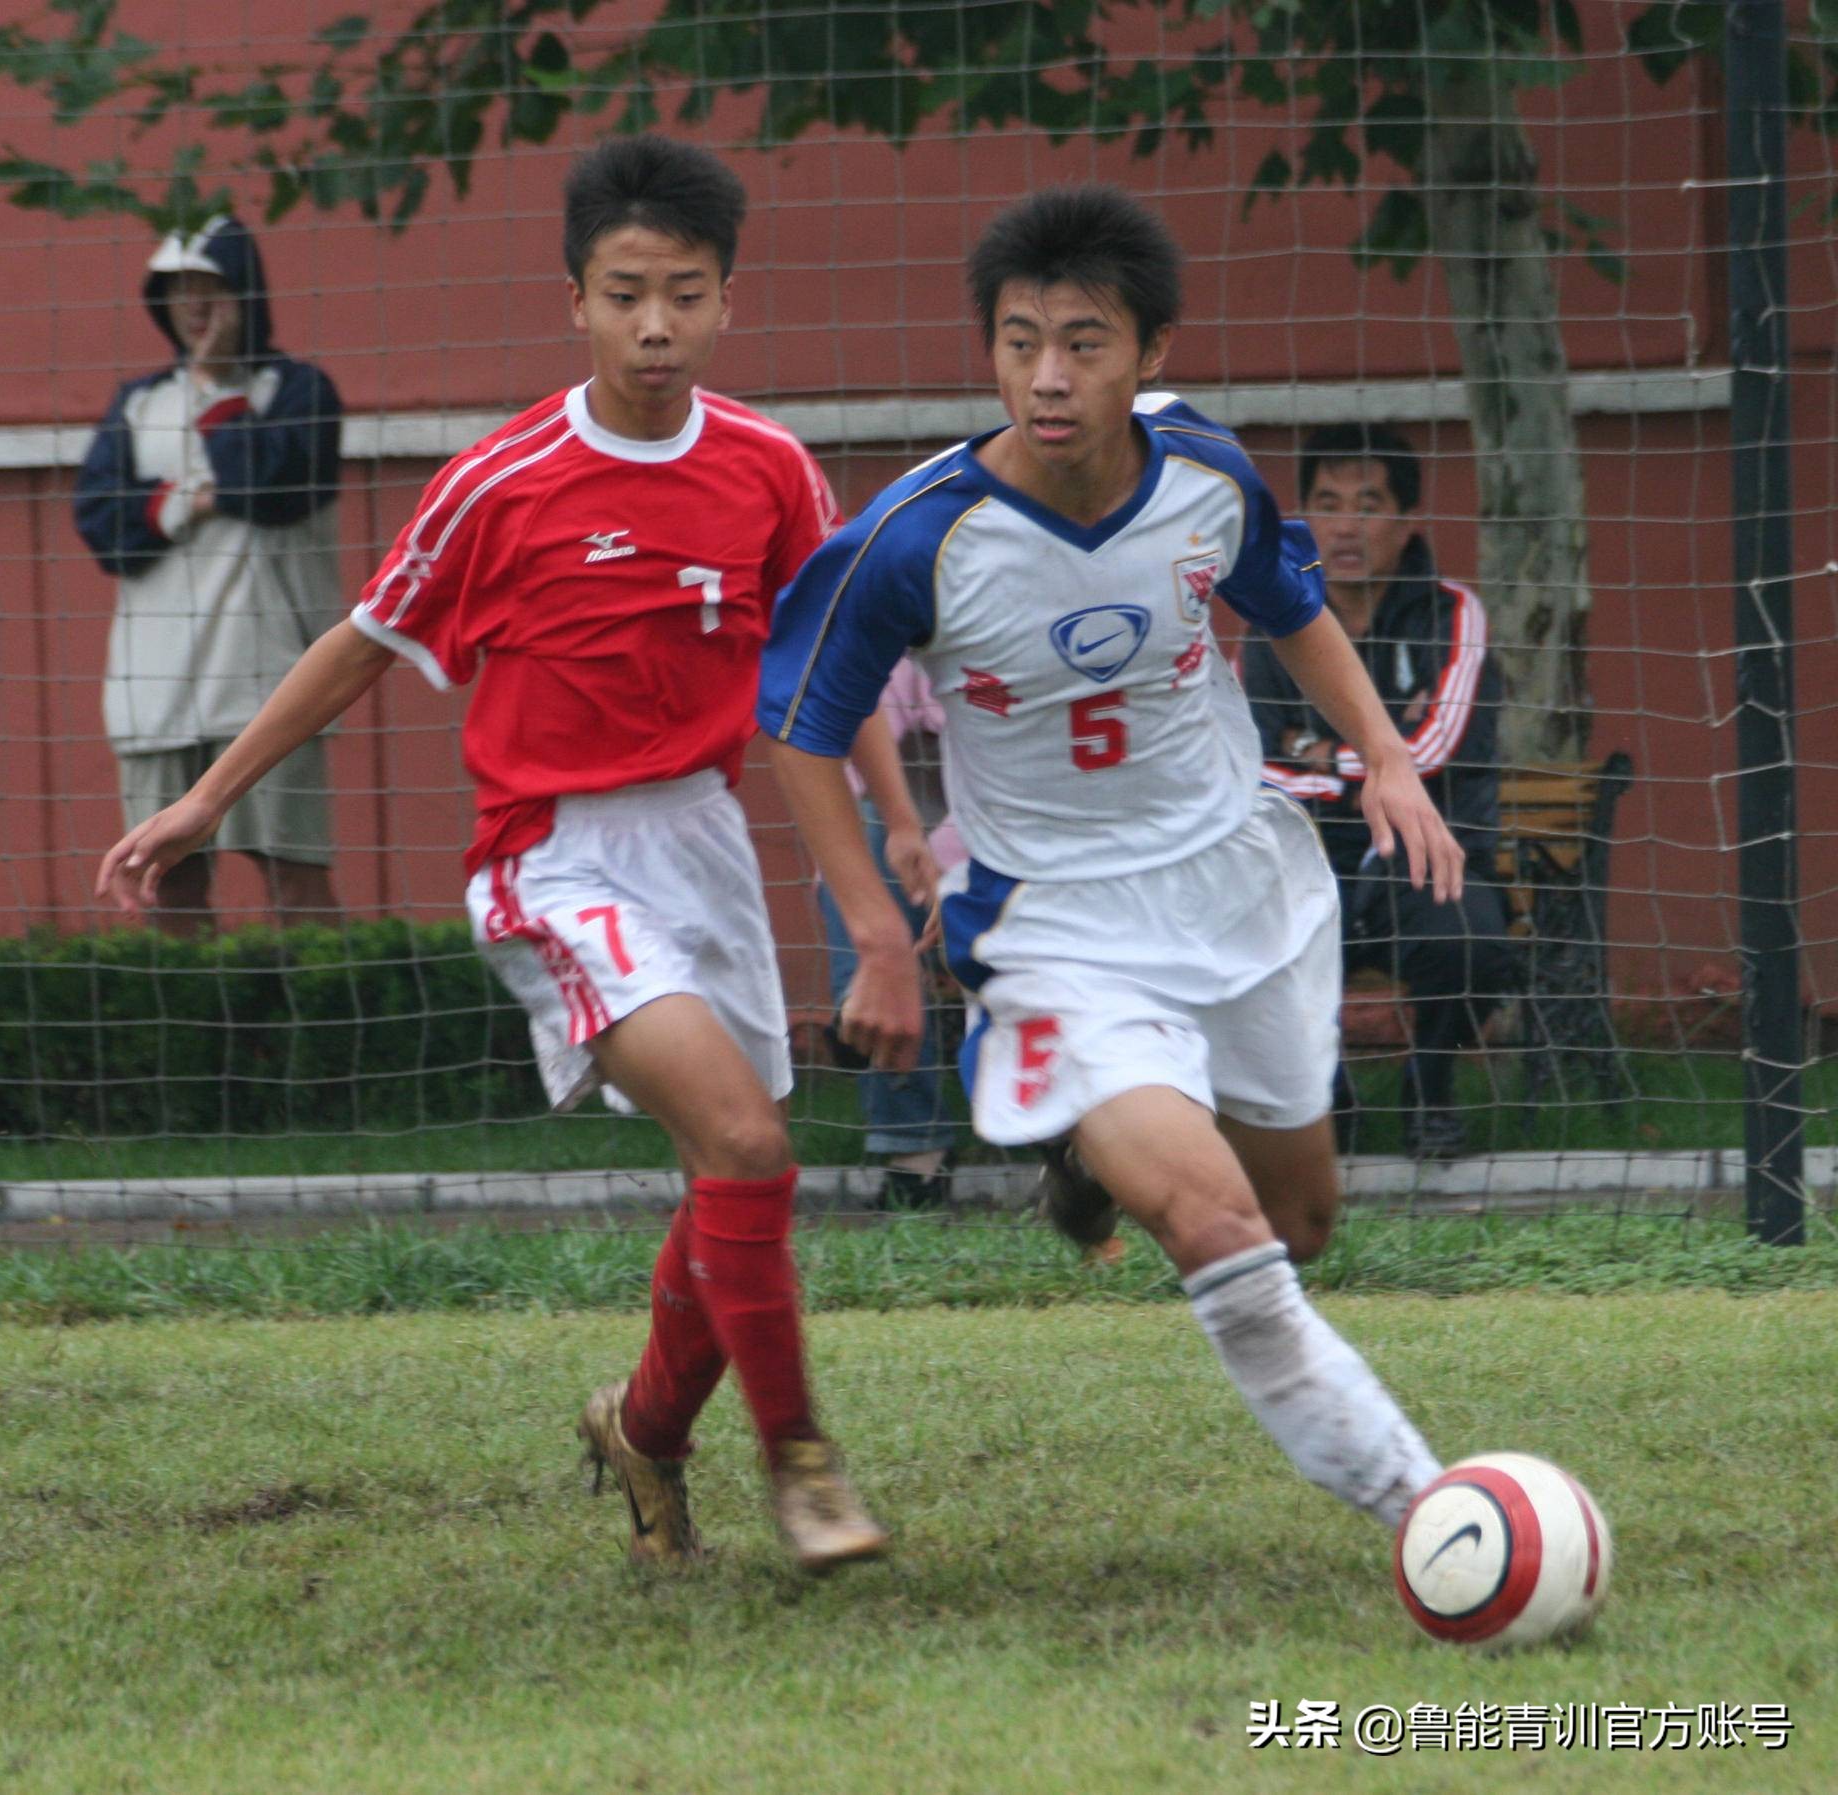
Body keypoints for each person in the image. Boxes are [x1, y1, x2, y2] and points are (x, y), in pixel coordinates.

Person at [98, 136, 924, 1572]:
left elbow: (826, 662)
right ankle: (802, 1461)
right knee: (744, 1140)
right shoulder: (505, 478)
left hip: (704, 838)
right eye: (625, 294)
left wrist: (896, 820)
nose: (655, 325)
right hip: (553, 859)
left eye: (684, 294)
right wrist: (207, 800)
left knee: (738, 1175)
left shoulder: (772, 468)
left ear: (727, 300)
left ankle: (645, 1426)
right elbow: (362, 638)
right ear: (576, 302)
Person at [759, 186, 1459, 1536]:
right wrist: (882, 924)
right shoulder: (919, 537)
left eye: (1083, 342)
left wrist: (1382, 751)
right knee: (1215, 1225)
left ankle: (1083, 1158)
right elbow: (796, 720)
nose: (1049, 376)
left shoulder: (1205, 473)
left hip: (1234, 882)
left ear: (1151, 353)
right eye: (1020, 342)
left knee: (1299, 1221)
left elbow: (1294, 602)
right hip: (1056, 928)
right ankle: (1434, 1508)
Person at [1241, 425, 1517, 1160]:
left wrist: (1313, 747)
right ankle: (1325, 1095)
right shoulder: (1272, 620)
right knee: (1250, 927)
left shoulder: (1455, 614)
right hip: (1307, 852)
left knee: (1474, 944)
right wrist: (1373, 750)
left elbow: (1434, 750)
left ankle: (1429, 1090)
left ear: (1405, 521)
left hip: (1430, 849)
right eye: (1327, 503)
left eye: (1369, 504)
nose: (1344, 525)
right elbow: (1252, 764)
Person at [74, 214, 344, 935]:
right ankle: (206, 1043)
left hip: (270, 683)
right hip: (155, 687)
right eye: (179, 290)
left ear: (248, 292)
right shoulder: (137, 405)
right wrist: (181, 503)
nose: (195, 307)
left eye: (213, 288)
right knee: (168, 887)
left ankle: (322, 1032)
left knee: (294, 875)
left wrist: (224, 396)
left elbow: (273, 487)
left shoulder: (297, 391)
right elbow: (102, 526)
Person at [816, 659, 966, 1209]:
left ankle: (1072, 1141)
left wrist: (952, 877)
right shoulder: (884, 619)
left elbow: (1016, 786)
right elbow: (847, 783)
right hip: (911, 846)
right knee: (854, 859)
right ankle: (914, 1149)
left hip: (1018, 830)